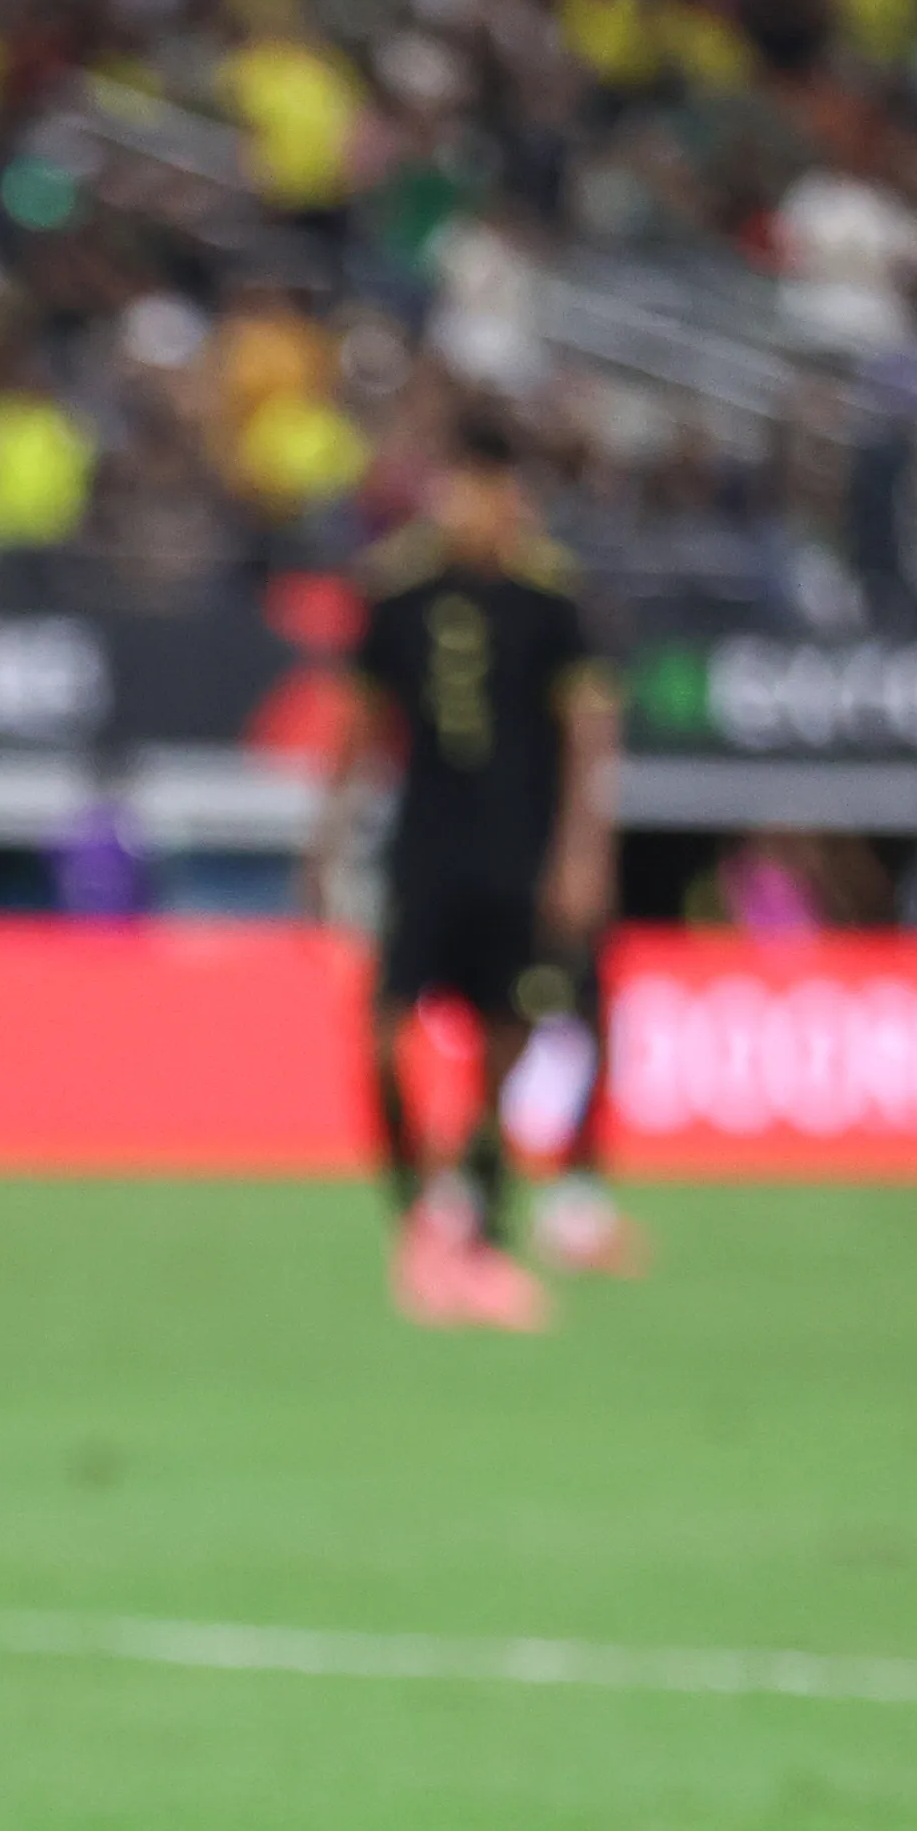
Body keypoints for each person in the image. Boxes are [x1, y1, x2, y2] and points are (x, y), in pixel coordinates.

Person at [325, 421, 627, 1327]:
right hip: (424, 850)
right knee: (384, 1035)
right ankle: (418, 1216)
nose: (480, 510)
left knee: (506, 1041)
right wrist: (327, 838)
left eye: (495, 493)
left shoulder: (551, 598)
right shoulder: (395, 592)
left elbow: (587, 734)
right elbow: (360, 726)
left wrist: (581, 854)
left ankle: (485, 1238)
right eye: (463, 490)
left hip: (518, 853)